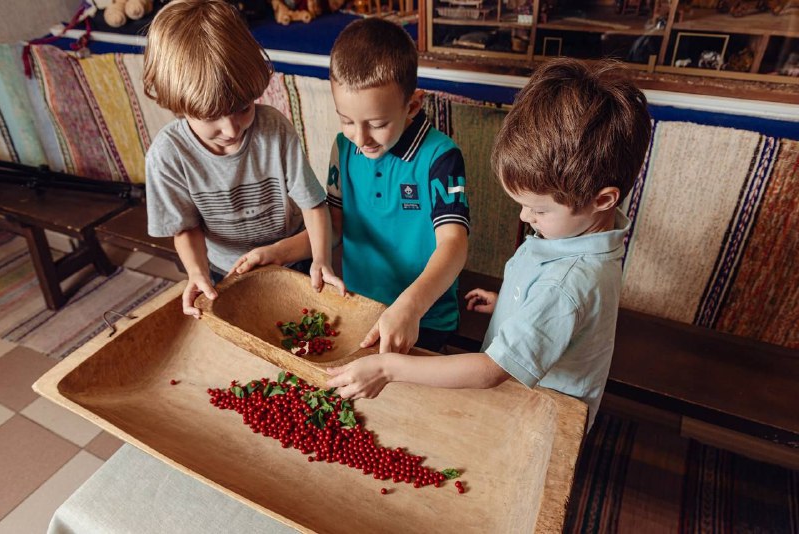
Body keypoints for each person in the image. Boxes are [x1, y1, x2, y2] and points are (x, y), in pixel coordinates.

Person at [327, 58, 652, 430]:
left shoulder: (566, 285)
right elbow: (560, 316)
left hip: (532, 420)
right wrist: (513, 306)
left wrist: (388, 368)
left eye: (538, 209)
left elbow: (490, 372)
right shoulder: (578, 241)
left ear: (603, 199)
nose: (525, 218)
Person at [143, 0, 343, 318]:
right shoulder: (167, 155)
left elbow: (313, 204)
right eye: (212, 117)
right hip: (225, 269)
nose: (231, 129)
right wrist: (197, 273)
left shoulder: (274, 128)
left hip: (292, 258)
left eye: (244, 108)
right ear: (178, 105)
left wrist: (322, 259)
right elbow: (185, 229)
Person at [325, 18, 471, 353]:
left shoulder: (441, 157)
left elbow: (453, 244)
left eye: (377, 124)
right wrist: (277, 252)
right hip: (358, 307)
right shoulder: (343, 147)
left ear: (413, 106)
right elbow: (333, 227)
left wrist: (410, 306)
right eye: (346, 120)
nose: (360, 139)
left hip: (424, 318)